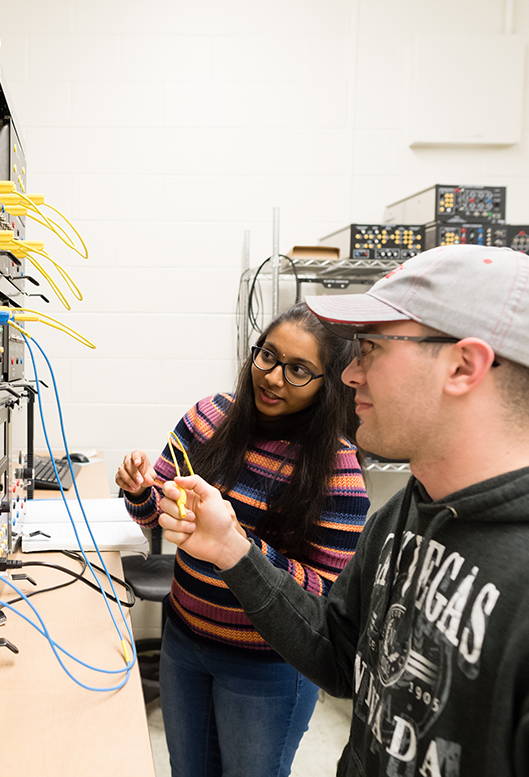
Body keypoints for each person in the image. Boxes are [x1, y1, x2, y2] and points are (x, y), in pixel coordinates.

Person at [157, 244, 529, 777]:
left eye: (372, 348)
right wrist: (232, 550)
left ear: (464, 366)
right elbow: (339, 654)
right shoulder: (405, 516)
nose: (350, 375)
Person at [116, 301, 370, 777]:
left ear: (328, 384)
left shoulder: (337, 475)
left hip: (267, 667)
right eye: (268, 356)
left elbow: (325, 600)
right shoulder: (209, 417)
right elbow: (156, 518)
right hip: (185, 642)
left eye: (298, 370)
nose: (273, 377)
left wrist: (236, 541)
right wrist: (139, 492)